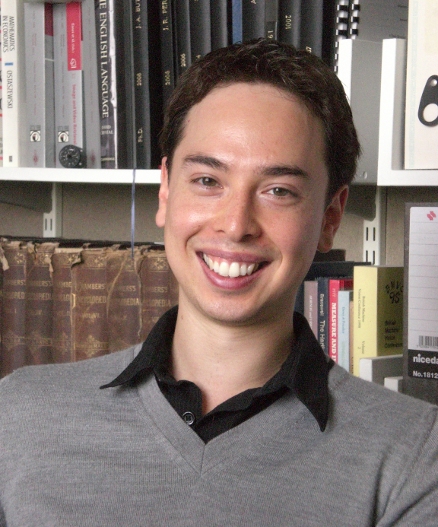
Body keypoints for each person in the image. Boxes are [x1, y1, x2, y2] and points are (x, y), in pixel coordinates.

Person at [1, 39, 438, 526]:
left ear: (330, 217)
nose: (235, 225)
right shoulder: (18, 414)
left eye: (279, 190)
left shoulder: (414, 456)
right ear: (166, 191)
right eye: (208, 181)